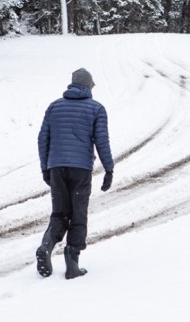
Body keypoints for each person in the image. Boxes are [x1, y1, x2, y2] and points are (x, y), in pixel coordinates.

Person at [36, 67, 114, 279]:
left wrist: (46, 168)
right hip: (80, 169)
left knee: (60, 212)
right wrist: (109, 168)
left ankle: (46, 245)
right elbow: (102, 141)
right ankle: (72, 265)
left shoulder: (54, 107)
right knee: (78, 213)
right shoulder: (96, 109)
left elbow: (43, 139)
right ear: (88, 86)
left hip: (56, 167)